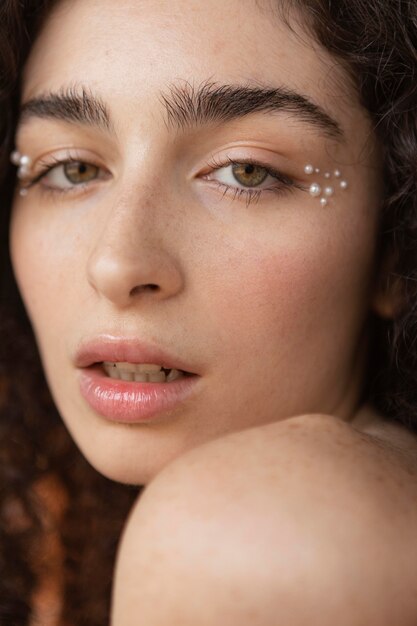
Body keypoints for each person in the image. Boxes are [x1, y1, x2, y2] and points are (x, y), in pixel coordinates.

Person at [1, 0, 416, 624]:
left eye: (246, 172)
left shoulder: (250, 534)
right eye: (72, 168)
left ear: (394, 246)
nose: (116, 265)